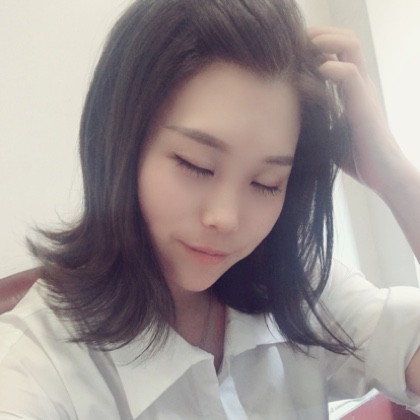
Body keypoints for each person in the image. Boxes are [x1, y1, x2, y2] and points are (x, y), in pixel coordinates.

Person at [1, 0, 420, 418]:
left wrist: (396, 179)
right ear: (121, 143)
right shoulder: (35, 370)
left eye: (266, 183)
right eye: (195, 165)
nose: (226, 218)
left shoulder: (293, 286)